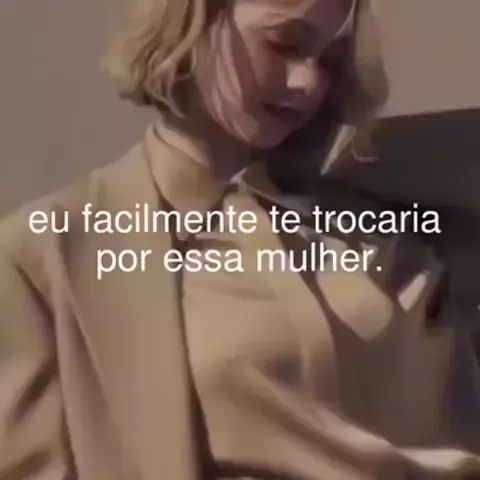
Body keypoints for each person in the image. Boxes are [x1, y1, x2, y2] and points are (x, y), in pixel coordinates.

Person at [0, 0, 479, 479]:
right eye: (284, 44)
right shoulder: (43, 255)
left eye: (331, 62)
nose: (308, 82)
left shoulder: (376, 225)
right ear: (192, 21)